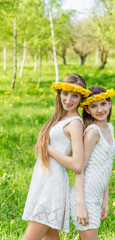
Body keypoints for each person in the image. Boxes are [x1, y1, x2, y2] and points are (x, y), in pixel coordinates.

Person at [22, 74, 91, 240]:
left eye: (74, 95)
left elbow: (77, 165)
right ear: (59, 94)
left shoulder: (75, 123)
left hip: (52, 187)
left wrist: (48, 149)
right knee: (50, 237)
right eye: (65, 94)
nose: (68, 99)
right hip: (43, 181)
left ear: (81, 98)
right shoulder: (61, 117)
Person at [70, 86, 115, 240]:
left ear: (110, 103)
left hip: (96, 195)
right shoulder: (92, 133)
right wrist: (81, 205)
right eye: (94, 106)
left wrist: (105, 199)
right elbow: (79, 169)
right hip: (85, 195)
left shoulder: (109, 128)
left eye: (103, 104)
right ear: (88, 110)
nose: (100, 110)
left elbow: (106, 167)